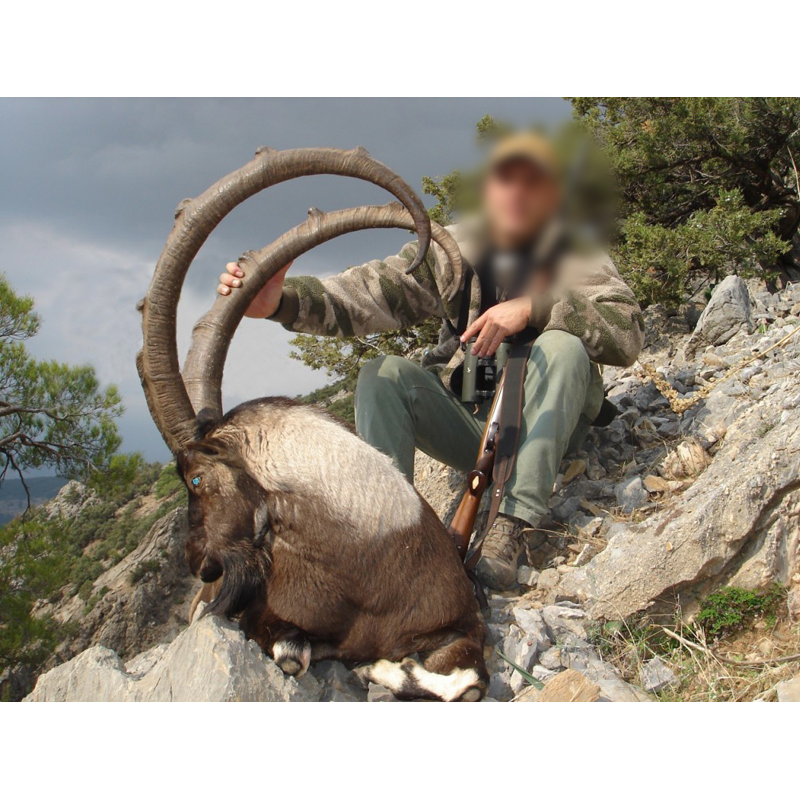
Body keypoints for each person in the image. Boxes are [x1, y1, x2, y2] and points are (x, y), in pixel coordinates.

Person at [217, 132, 644, 591]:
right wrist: (283, 301)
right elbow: (371, 291)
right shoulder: (453, 249)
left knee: (563, 346)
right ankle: (386, 533)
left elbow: (627, 332)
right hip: (474, 421)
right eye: (505, 179)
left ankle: (512, 525)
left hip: (551, 426)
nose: (517, 192)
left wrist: (536, 309)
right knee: (380, 376)